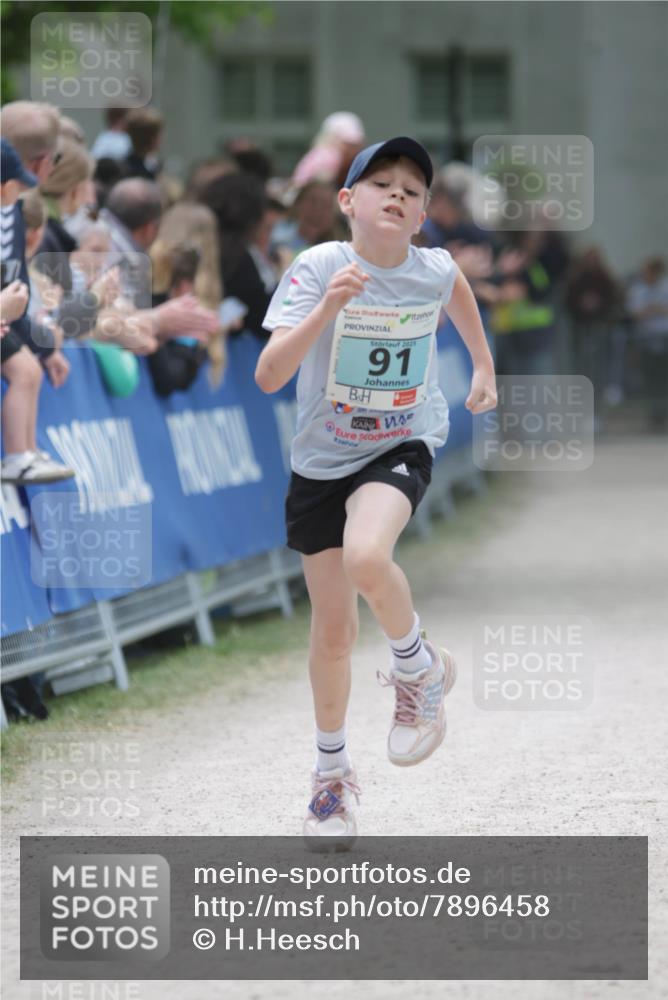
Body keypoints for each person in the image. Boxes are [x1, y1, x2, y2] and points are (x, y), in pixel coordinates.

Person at [256, 137, 497, 849]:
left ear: (423, 215)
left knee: (368, 555)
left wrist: (483, 366)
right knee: (332, 631)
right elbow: (270, 374)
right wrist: (326, 309)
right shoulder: (319, 266)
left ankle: (416, 669)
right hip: (321, 460)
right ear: (347, 202)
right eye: (382, 183)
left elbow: (455, 288)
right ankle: (331, 779)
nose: (398, 195)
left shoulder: (432, 267)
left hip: (401, 439)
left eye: (413, 190)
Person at [627, 256, 668, 430]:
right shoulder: (637, 290)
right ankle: (654, 416)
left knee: (664, 377)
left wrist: (652, 309)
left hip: (664, 336)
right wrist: (656, 309)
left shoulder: (665, 287)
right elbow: (635, 313)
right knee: (649, 378)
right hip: (645, 338)